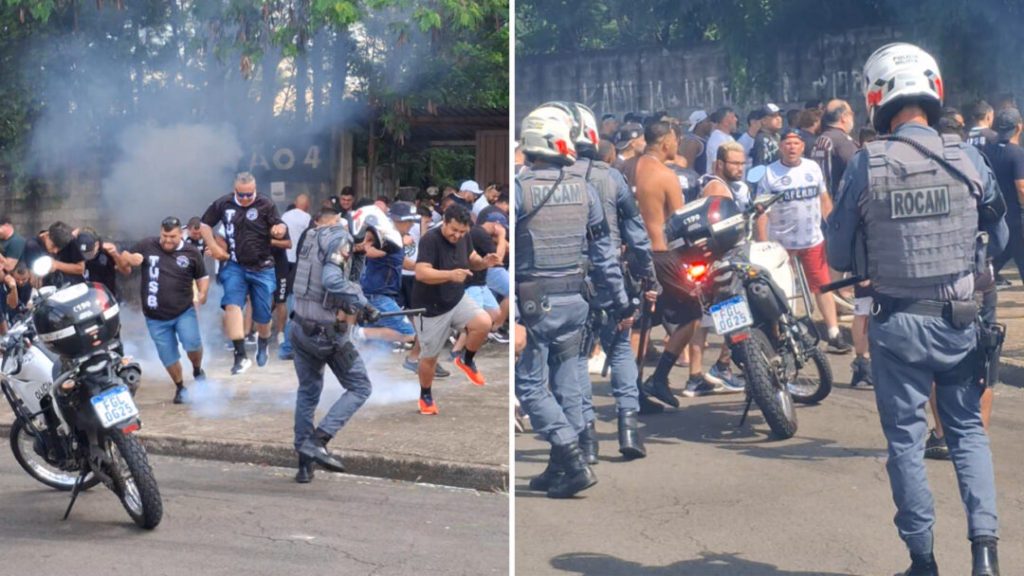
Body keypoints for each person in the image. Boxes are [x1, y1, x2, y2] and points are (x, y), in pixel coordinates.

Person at [827, 42, 1004, 576]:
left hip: (898, 324)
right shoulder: (969, 157)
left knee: (905, 441)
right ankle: (985, 554)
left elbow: (837, 252)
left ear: (876, 98)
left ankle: (922, 561)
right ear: (933, 92)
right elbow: (999, 235)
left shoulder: (866, 163)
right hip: (960, 318)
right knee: (967, 431)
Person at [516, 102, 629, 498]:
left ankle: (571, 458)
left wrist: (513, 315)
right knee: (566, 380)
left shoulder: (519, 189)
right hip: (576, 301)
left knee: (529, 386)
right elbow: (604, 251)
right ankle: (559, 465)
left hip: (534, 306)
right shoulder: (584, 188)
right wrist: (618, 297)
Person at [568, 102, 657, 459]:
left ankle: (586, 439)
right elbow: (637, 236)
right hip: (611, 276)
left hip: (567, 281)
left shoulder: (551, 179)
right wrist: (649, 278)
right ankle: (628, 431)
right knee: (620, 347)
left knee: (575, 357)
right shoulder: (612, 177)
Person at [289, 205, 384, 484]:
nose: (369, 246)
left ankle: (304, 464)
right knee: (360, 387)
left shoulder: (312, 235)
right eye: (369, 239)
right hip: (326, 334)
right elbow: (332, 280)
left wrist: (358, 302)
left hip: (300, 329)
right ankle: (318, 440)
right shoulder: (340, 239)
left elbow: (338, 280)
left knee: (308, 392)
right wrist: (363, 304)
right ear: (357, 229)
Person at [755, 128, 851, 354]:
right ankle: (783, 334)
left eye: (796, 143)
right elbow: (761, 212)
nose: (791, 147)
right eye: (787, 143)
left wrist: (835, 227)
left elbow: (824, 199)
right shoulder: (770, 173)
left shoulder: (812, 168)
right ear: (781, 147)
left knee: (823, 286)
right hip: (781, 243)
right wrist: (762, 245)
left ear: (802, 146)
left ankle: (834, 333)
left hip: (812, 239)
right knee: (781, 290)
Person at [635, 121, 704, 411]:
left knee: (640, 324)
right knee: (692, 314)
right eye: (675, 140)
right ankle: (660, 377)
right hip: (662, 255)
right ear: (665, 143)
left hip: (634, 255)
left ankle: (632, 392)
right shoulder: (666, 175)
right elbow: (680, 223)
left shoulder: (627, 170)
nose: (677, 145)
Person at [200, 171, 288, 375]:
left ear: (255, 190)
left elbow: (280, 224)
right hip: (235, 265)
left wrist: (279, 229)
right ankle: (240, 356)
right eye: (242, 195)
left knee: (263, 316)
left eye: (250, 194)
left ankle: (263, 342)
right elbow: (204, 224)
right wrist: (213, 246)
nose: (246, 198)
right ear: (235, 190)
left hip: (263, 267)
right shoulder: (224, 203)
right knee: (232, 303)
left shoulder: (266, 203)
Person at [118, 217, 209, 404]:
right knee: (168, 356)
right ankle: (180, 386)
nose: (167, 240)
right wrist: (128, 258)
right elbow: (123, 264)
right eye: (164, 236)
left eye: (172, 236)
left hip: (184, 311)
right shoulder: (147, 245)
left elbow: (203, 276)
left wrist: (203, 293)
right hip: (155, 317)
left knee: (192, 345)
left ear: (181, 233)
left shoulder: (191, 253)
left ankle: (197, 369)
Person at [357, 202, 417, 346]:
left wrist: (423, 267)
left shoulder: (395, 240)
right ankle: (354, 333)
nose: (411, 225)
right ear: (397, 220)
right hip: (377, 295)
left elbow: (400, 261)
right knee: (408, 333)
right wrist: (396, 245)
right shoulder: (382, 235)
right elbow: (367, 250)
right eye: (409, 221)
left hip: (383, 294)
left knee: (373, 344)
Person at [985, 108, 1024, 287]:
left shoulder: (988, 150)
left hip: (997, 214)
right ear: (1019, 127)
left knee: (1003, 253)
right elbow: (1021, 188)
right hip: (1016, 216)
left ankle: (981, 280)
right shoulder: (1017, 153)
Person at [277, 195, 312, 360]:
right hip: (300, 266)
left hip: (285, 261)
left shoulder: (285, 217)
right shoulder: (308, 220)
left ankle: (282, 337)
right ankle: (287, 344)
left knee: (284, 300)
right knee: (296, 308)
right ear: (307, 206)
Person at [704, 107, 737, 176]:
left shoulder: (728, 137)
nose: (736, 120)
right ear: (725, 122)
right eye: (733, 117)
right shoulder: (717, 139)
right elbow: (716, 166)